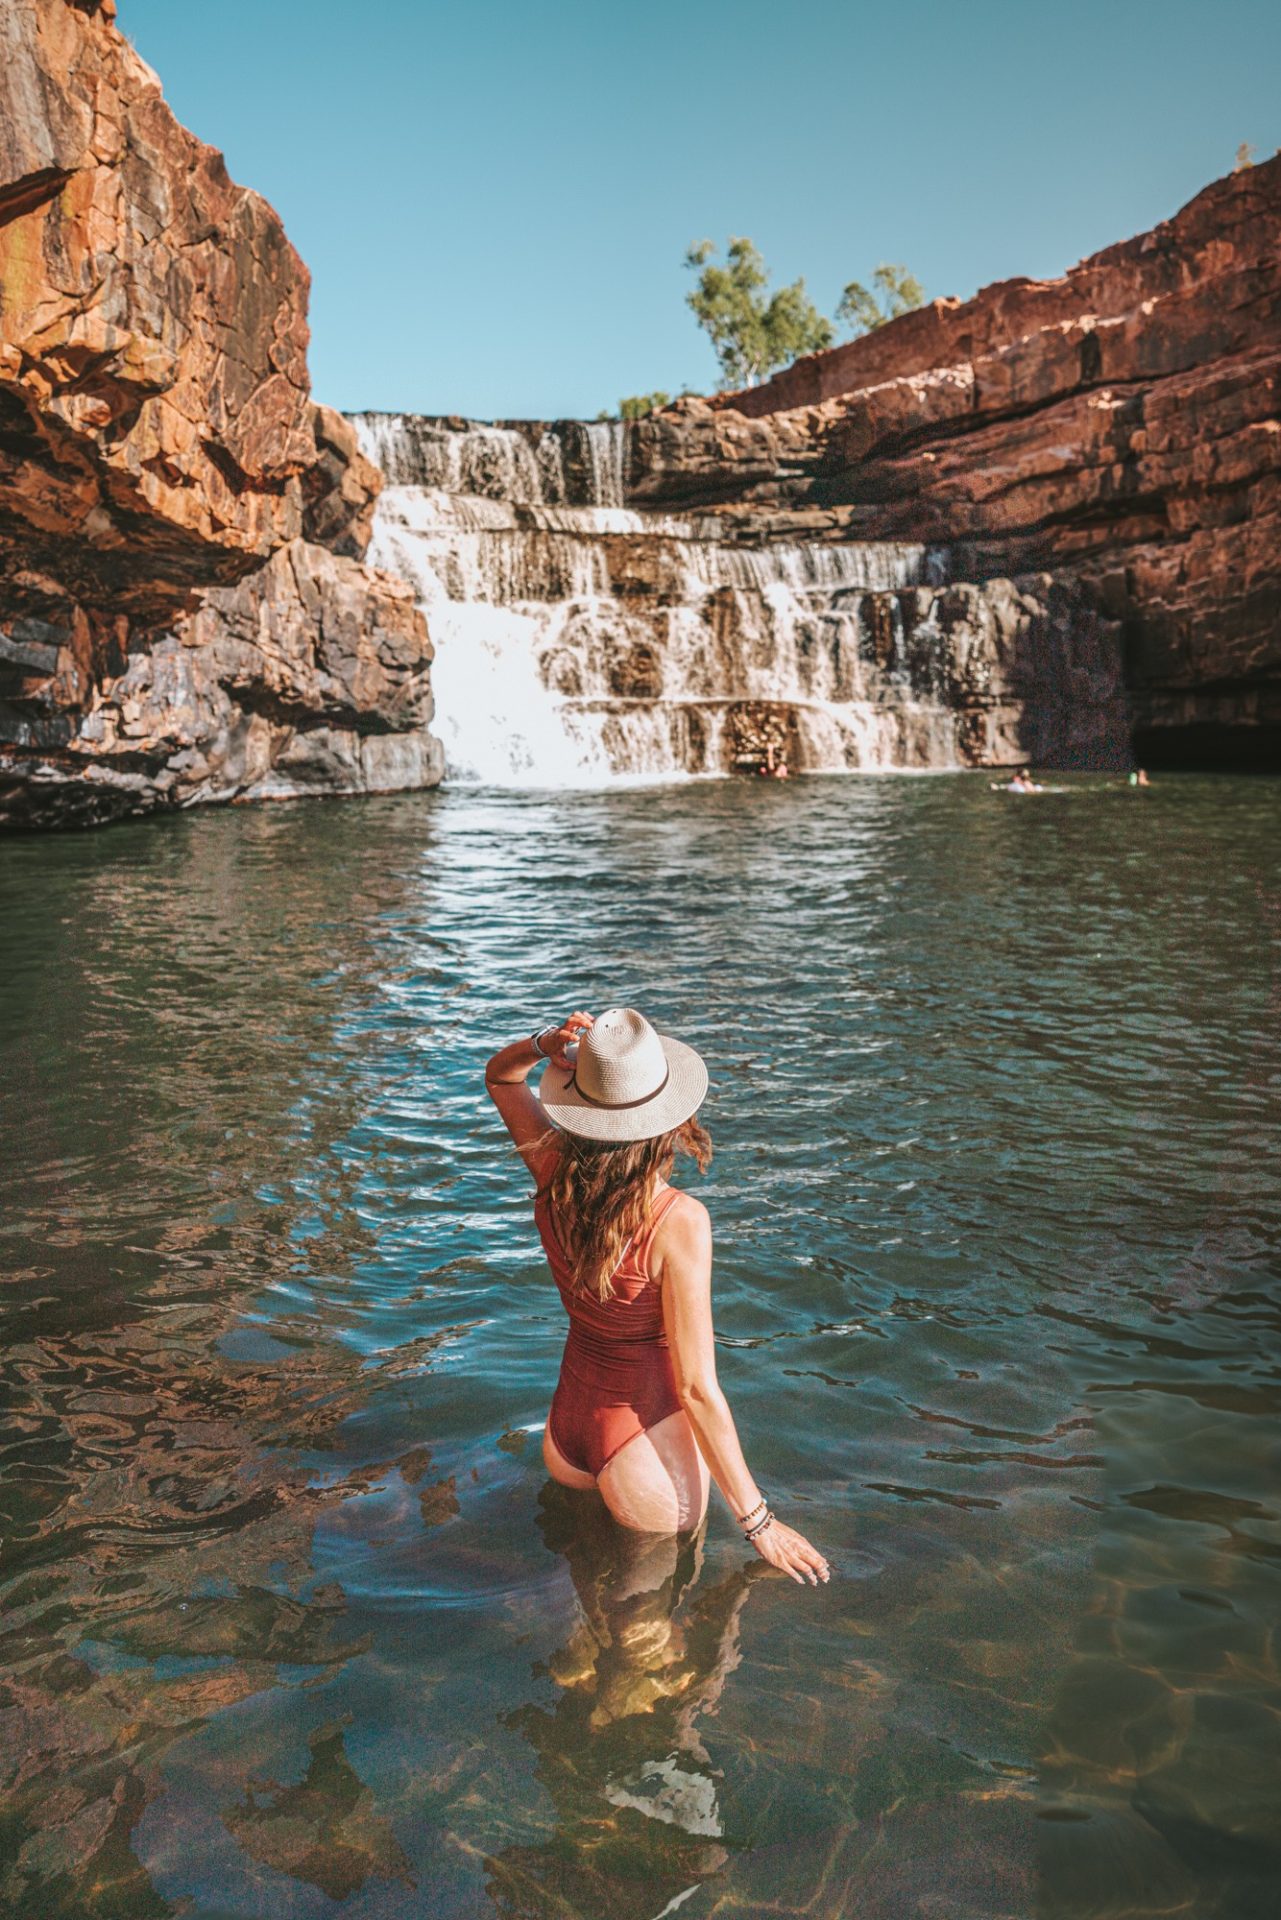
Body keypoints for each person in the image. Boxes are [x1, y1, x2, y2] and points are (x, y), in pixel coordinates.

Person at [484, 1007, 829, 1587]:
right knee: (647, 1650)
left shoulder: (549, 1168)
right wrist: (759, 1522)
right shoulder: (679, 1221)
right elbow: (695, 1388)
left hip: (566, 1431)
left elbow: (499, 1077)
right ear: (668, 1119)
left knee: (588, 1595)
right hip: (640, 1447)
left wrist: (544, 1042)